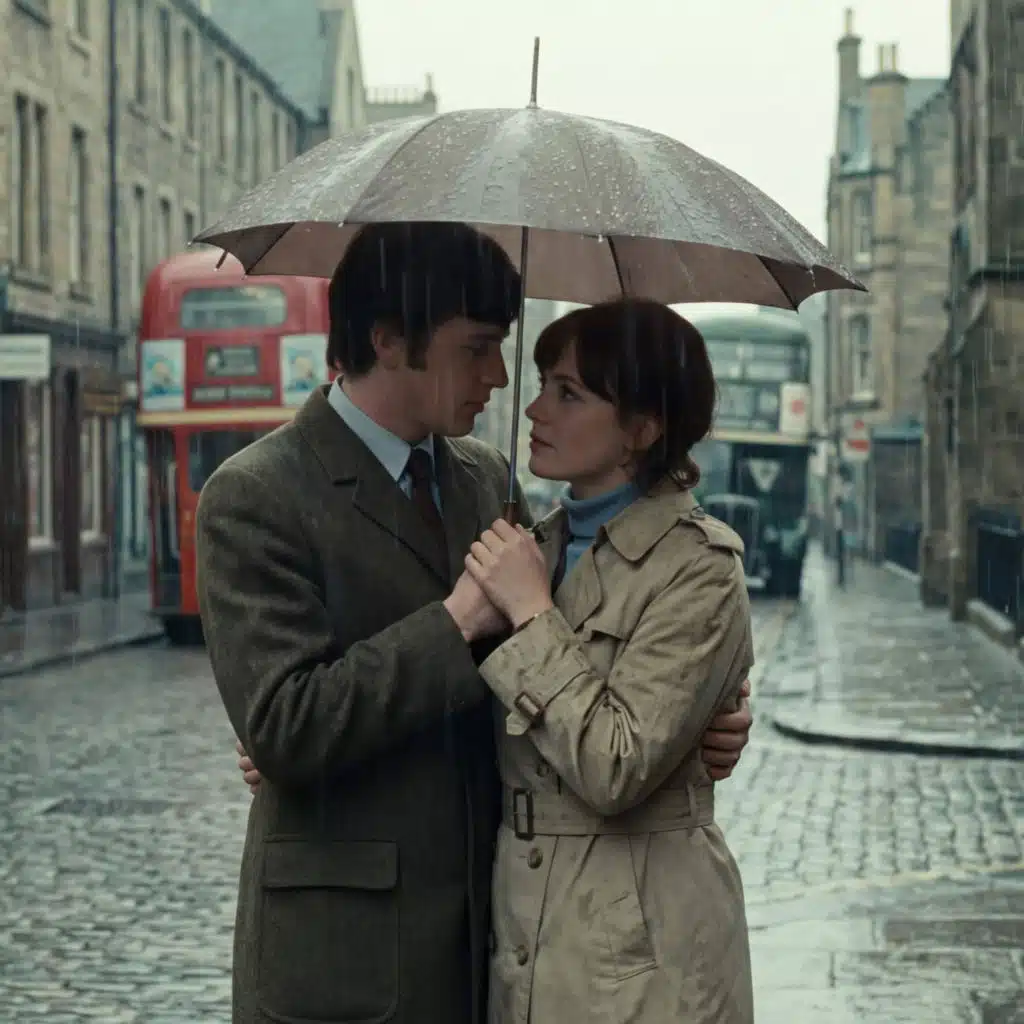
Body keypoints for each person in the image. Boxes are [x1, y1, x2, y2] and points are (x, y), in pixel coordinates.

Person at [204, 222, 754, 1024]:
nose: (499, 377)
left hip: (503, 941)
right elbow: (286, 724)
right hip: (347, 954)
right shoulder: (257, 494)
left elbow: (564, 653)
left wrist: (706, 716)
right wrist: (453, 622)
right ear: (390, 341)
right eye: (477, 348)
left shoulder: (485, 480)